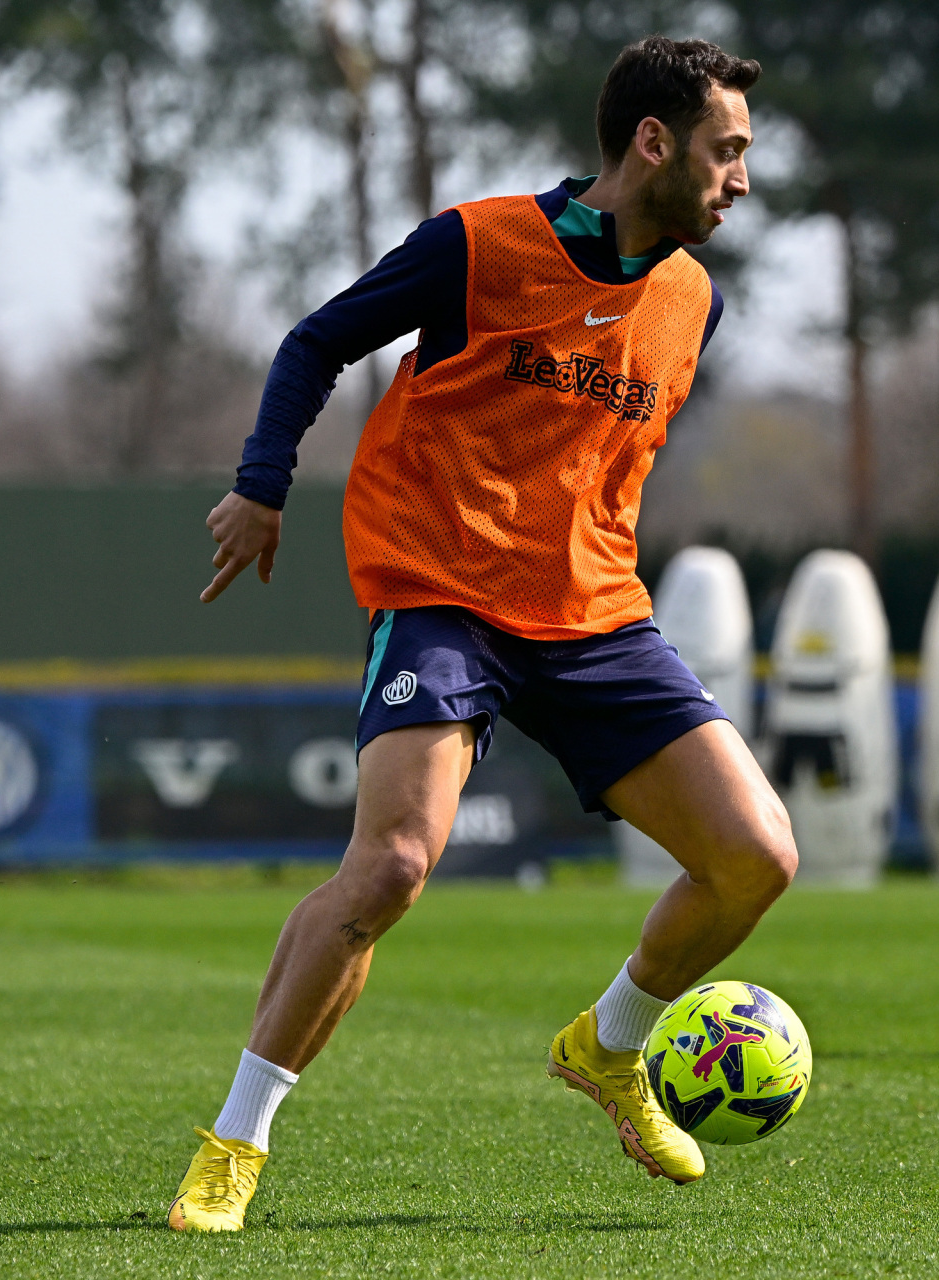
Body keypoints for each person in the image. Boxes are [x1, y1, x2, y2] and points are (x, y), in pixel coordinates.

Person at [167, 37, 794, 1232]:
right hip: (443, 589)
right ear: (652, 142)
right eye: (729, 150)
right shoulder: (478, 244)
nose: (742, 178)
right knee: (393, 865)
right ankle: (234, 1141)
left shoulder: (693, 301)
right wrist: (260, 485)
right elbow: (316, 340)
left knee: (756, 855)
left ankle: (608, 1046)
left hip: (597, 613)